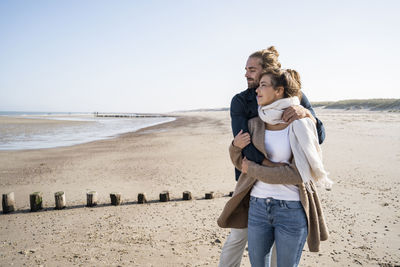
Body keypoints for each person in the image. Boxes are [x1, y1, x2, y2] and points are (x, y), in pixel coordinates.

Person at [218, 46, 325, 267]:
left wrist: (306, 114)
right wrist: (270, 168)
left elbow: (319, 136)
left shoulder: (295, 97)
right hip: (249, 182)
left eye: (251, 69)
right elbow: (244, 148)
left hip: (288, 195)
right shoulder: (241, 101)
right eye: (246, 69)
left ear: (267, 72)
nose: (246, 74)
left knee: (281, 249)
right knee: (238, 237)